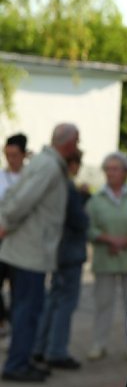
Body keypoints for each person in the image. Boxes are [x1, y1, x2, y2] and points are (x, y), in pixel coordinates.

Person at [0, 123, 79, 382]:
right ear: (68, 144)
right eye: (76, 143)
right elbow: (21, 201)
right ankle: (16, 364)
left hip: (29, 251)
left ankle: (22, 360)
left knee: (28, 310)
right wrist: (5, 224)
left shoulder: (46, 162)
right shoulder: (48, 165)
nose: (76, 148)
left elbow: (14, 194)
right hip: (29, 253)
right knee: (27, 311)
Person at [85, 151, 127, 361]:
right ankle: (98, 344)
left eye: (114, 169)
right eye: (107, 169)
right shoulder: (96, 199)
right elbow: (88, 228)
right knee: (103, 304)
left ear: (126, 172)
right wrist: (108, 239)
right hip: (105, 260)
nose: (110, 173)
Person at [33, 149, 89, 370]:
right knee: (65, 302)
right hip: (69, 252)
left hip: (58, 250)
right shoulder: (67, 187)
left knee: (53, 299)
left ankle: (40, 347)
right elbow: (78, 220)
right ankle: (56, 351)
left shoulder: (59, 184)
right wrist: (84, 203)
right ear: (72, 165)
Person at [0, 133, 28, 337]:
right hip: (1, 241)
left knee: (19, 289)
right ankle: (4, 318)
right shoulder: (1, 177)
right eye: (7, 154)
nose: (11, 159)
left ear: (23, 155)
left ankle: (15, 327)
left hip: (21, 242)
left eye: (15, 154)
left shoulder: (29, 177)